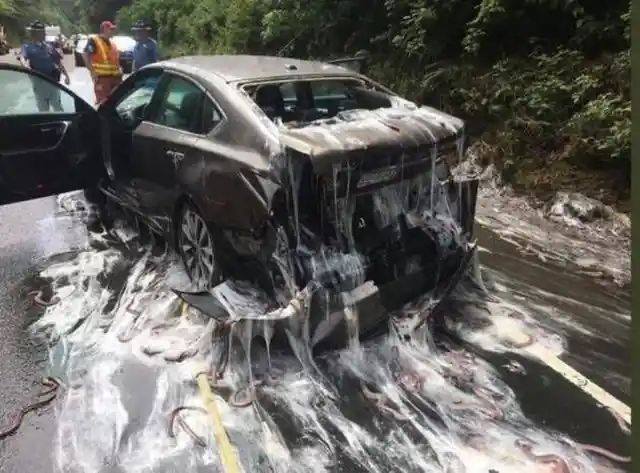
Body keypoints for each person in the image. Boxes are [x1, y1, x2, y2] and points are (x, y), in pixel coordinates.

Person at [18, 20, 71, 112]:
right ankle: (45, 125)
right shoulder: (27, 47)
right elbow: (22, 57)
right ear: (35, 33)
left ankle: (62, 122)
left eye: (44, 31)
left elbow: (58, 62)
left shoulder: (50, 46)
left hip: (52, 80)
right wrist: (26, 67)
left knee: (57, 105)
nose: (44, 33)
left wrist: (66, 76)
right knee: (43, 108)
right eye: (42, 32)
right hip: (39, 82)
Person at [83, 20, 122, 105]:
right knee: (103, 103)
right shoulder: (94, 40)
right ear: (104, 29)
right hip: (101, 78)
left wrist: (119, 72)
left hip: (114, 79)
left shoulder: (112, 44)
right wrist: (92, 71)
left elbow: (115, 61)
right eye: (110, 29)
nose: (112, 31)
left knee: (114, 103)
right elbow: (85, 54)